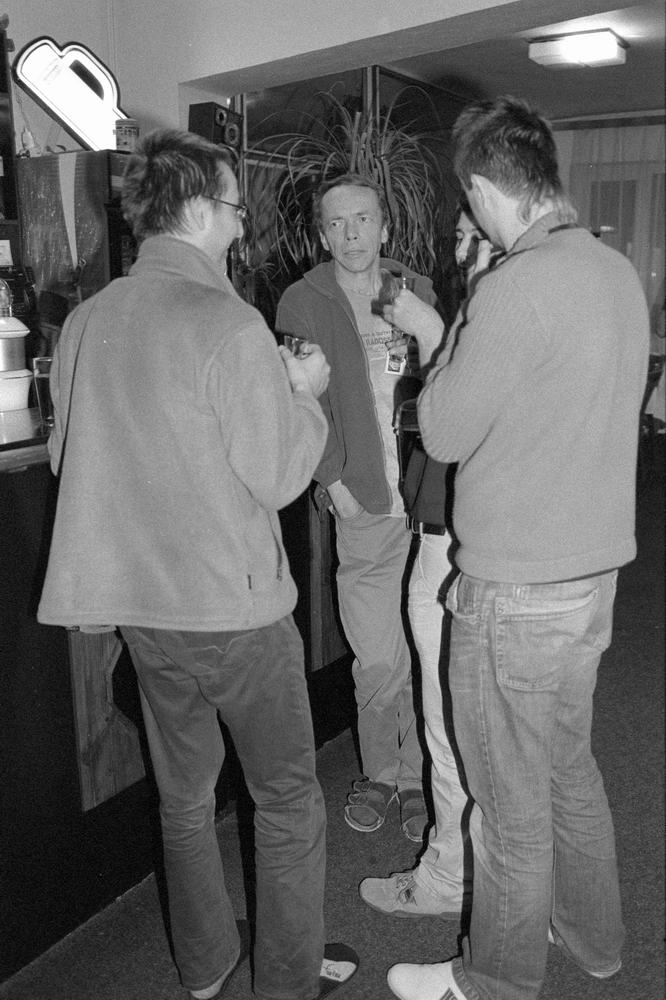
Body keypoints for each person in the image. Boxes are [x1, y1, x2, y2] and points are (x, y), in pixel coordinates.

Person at [37, 129, 359, 1000]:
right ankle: (286, 984)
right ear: (194, 209)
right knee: (286, 801)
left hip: (145, 613)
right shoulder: (229, 323)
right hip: (237, 614)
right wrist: (306, 395)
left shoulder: (87, 322)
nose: (241, 224)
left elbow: (69, 461)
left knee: (183, 800)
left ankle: (207, 966)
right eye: (234, 208)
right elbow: (280, 475)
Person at [385, 96, 649, 1000]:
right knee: (568, 770)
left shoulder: (511, 287)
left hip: (515, 592)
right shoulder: (615, 271)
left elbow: (443, 430)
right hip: (591, 577)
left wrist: (458, 320)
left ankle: (490, 982)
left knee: (508, 804)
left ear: (486, 189)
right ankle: (596, 939)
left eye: (470, 201)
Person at [276, 174, 440, 843]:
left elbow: (442, 379)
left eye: (363, 219)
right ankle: (383, 771)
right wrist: (334, 484)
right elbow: (300, 401)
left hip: (423, 499)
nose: (351, 235)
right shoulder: (302, 300)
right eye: (337, 223)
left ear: (384, 226)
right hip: (363, 502)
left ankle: (417, 777)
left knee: (422, 647)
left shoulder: (413, 289)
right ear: (321, 234)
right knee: (376, 655)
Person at [358, 200, 496, 921]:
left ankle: (449, 878)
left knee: (451, 723)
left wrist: (430, 330)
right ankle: (491, 876)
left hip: (458, 543)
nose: (460, 249)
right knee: (479, 727)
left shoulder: (492, 314)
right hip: (457, 535)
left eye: (473, 236)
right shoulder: (503, 309)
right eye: (458, 236)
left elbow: (456, 425)